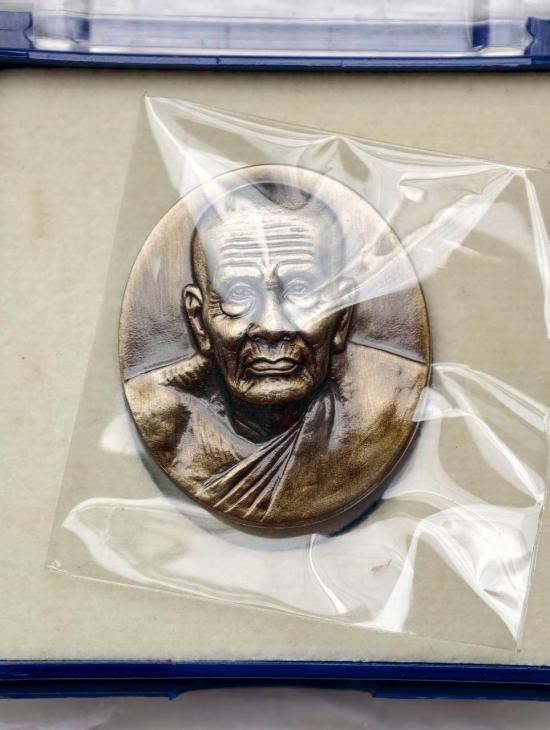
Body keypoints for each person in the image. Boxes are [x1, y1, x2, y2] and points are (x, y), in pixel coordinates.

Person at [124, 181, 428, 531]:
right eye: (238, 294)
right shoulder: (161, 411)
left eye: (300, 290)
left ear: (343, 315)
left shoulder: (392, 398)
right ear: (198, 321)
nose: (271, 326)